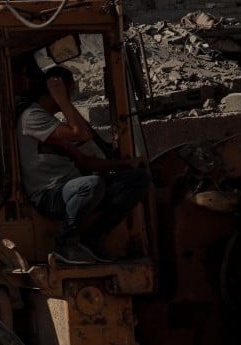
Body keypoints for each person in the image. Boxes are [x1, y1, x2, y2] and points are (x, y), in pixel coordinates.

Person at [17, 65, 151, 265]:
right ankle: (65, 243)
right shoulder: (32, 117)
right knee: (91, 185)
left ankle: (93, 238)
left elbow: (84, 162)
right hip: (50, 195)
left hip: (73, 188)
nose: (71, 96)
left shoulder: (49, 122)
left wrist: (124, 164)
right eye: (70, 90)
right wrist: (62, 100)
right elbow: (82, 134)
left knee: (138, 179)